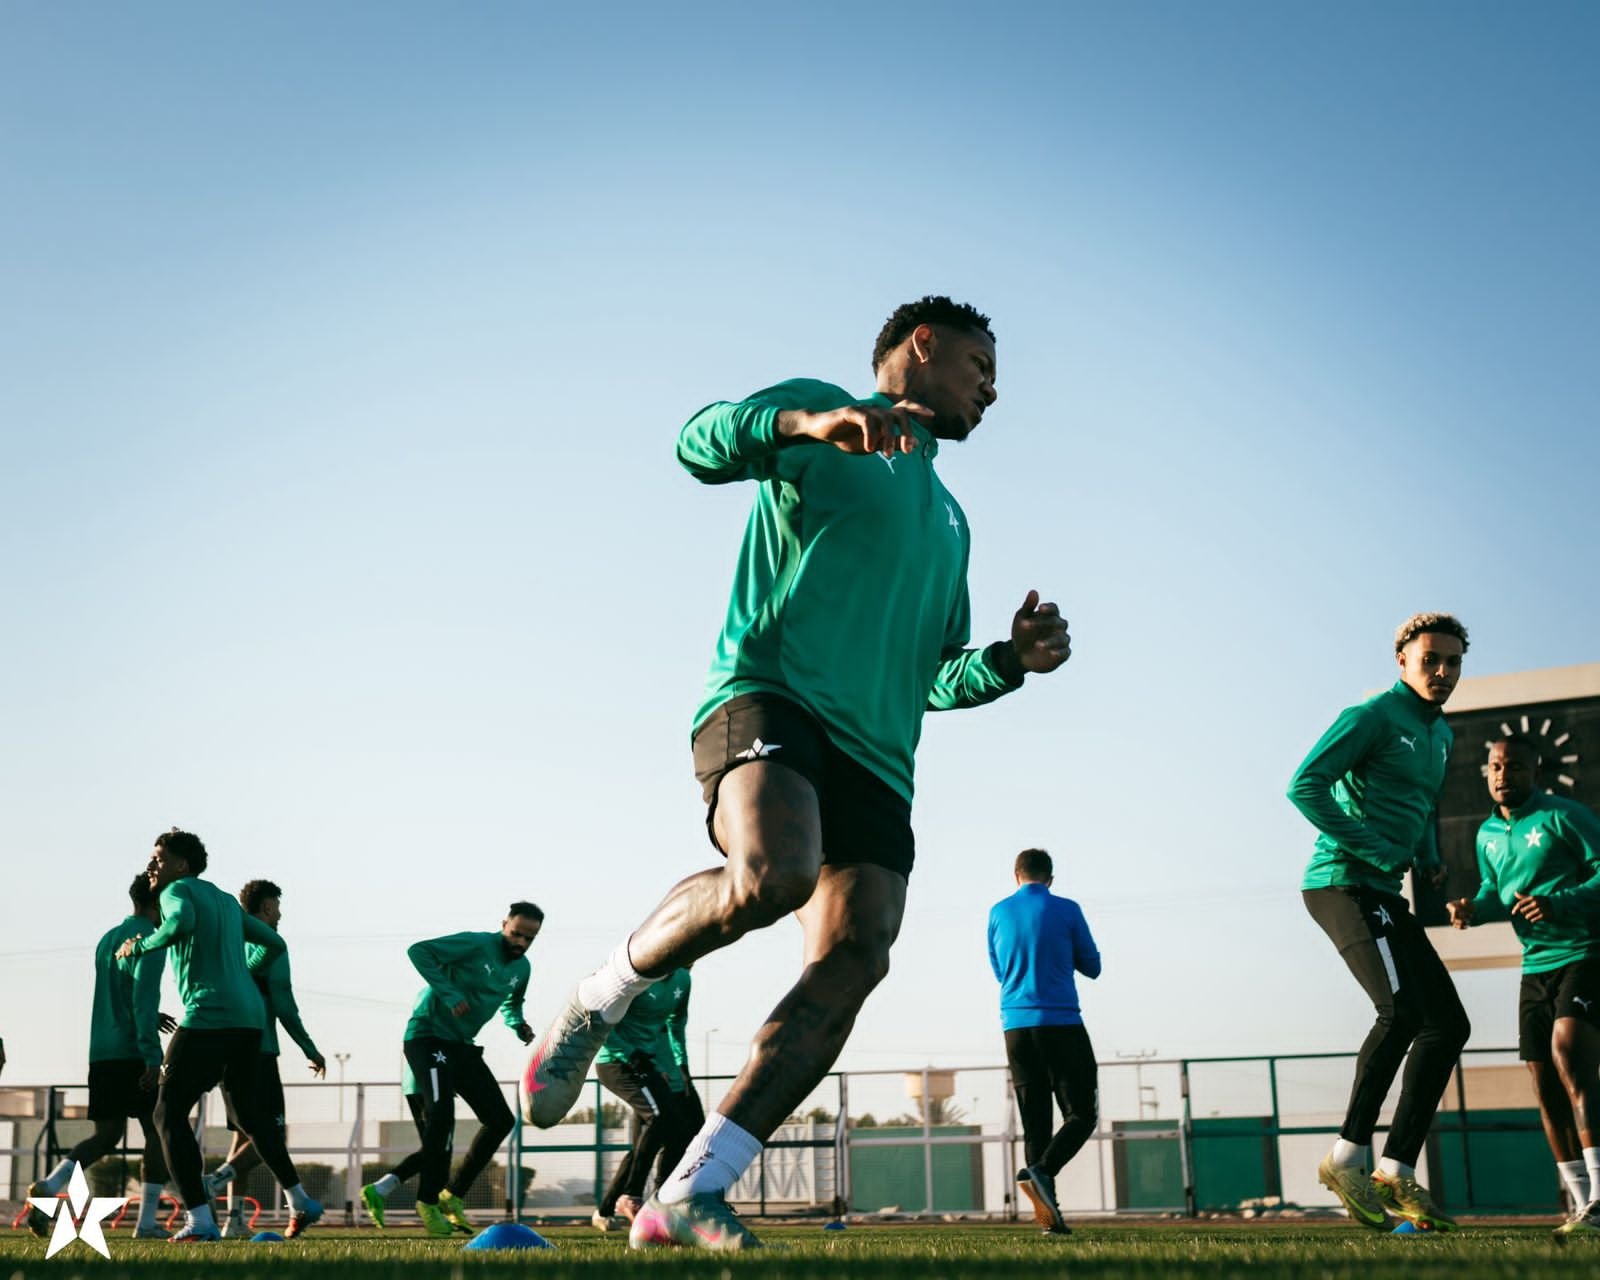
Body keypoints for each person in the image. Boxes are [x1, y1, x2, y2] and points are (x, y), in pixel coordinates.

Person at [520, 296, 1073, 1252]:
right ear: (923, 345)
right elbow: (698, 443)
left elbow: (933, 673)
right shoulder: (822, 416)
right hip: (770, 694)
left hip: (878, 758)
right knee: (772, 875)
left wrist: (1008, 661)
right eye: (981, 366)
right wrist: (807, 424)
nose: (992, 390)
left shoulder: (951, 520)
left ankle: (693, 1190)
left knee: (858, 954)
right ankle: (597, 998)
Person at [1288, 613, 1471, 1232]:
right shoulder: (1371, 716)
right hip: (1340, 883)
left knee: (1448, 1025)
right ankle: (1346, 1160)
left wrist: (1430, 857)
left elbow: (1421, 807)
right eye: (1430, 660)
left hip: (1384, 891)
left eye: (1452, 662)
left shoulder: (1440, 733)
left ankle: (1395, 1170)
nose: (1442, 671)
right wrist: (1373, 847)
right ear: (1402, 661)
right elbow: (1304, 786)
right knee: (1400, 1013)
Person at [116, 829, 324, 1243]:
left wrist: (139, 946)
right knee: (251, 1116)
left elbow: (180, 923)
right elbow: (273, 942)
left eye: (159, 858)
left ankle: (201, 1221)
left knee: (166, 1114)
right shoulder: (226, 900)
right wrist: (241, 976)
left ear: (181, 865)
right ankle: (301, 1201)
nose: (152, 865)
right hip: (249, 1023)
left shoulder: (175, 891)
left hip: (209, 1016)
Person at [1447, 735, 1600, 1240]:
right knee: (1543, 1080)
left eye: (1514, 766)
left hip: (1585, 953)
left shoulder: (1564, 816)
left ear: (1535, 770)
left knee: (1568, 1050)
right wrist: (1472, 909)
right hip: (1534, 966)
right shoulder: (1487, 833)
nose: (1502, 775)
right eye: (1495, 766)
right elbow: (1496, 892)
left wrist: (1560, 902)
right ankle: (1582, 1206)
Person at [360, 904, 539, 1237]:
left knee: (500, 1120)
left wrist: (518, 1025)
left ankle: (451, 1194)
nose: (521, 943)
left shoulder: (522, 968)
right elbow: (419, 951)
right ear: (503, 924)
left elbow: (512, 1003)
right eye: (516, 934)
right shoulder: (476, 944)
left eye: (530, 938)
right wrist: (450, 992)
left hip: (461, 1045)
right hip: (427, 1037)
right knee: (441, 1119)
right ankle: (427, 1202)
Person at [27, 874, 174, 1240]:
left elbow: (122, 993)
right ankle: (146, 1222)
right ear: (159, 903)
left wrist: (149, 1015)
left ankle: (50, 1184)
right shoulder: (151, 940)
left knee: (106, 1136)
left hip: (102, 1052)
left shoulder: (108, 938)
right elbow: (141, 999)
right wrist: (152, 1055)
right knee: (159, 1131)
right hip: (133, 1051)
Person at [201, 879, 327, 1238]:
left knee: (245, 1135)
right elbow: (284, 1004)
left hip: (224, 1047)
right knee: (271, 1135)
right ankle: (214, 1182)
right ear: (268, 908)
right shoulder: (270, 944)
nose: (280, 914)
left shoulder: (228, 944)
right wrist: (309, 1048)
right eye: (277, 907)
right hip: (258, 1051)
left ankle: (234, 1219)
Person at [987, 848, 1101, 1236]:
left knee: (1036, 1125)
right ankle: (1042, 1171)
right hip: (1061, 1023)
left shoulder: (998, 912)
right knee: (1081, 1114)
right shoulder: (1067, 909)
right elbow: (1093, 966)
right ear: (1050, 878)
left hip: (1015, 1028)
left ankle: (1049, 1221)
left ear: (1015, 876)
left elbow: (999, 969)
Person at [591, 966, 696, 1230]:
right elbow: (601, 1024)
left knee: (664, 1136)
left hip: (648, 1063)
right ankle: (632, 1196)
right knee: (659, 1119)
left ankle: (642, 1204)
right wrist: (633, 1056)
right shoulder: (635, 977)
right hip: (616, 1062)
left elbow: (676, 1024)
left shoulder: (682, 979)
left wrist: (680, 1068)